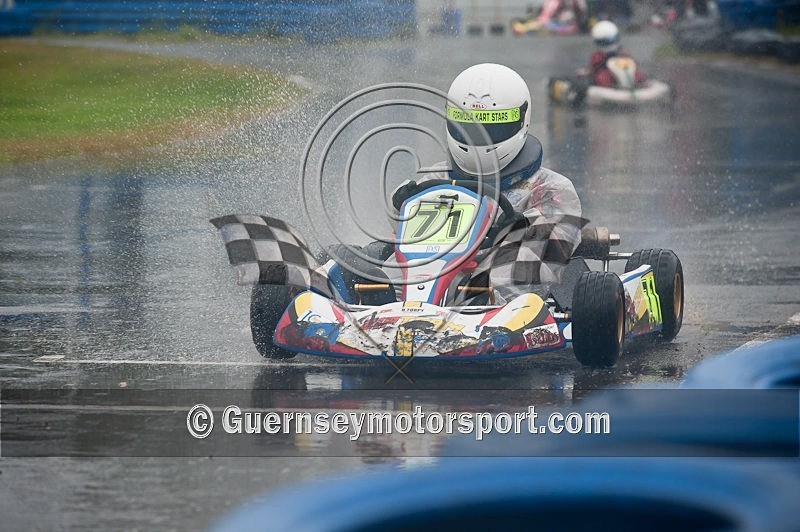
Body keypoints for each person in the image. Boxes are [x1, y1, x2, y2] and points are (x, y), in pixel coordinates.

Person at [393, 63, 584, 292]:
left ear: (521, 121)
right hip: (431, 284)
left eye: (493, 124)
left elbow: (550, 255)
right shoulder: (433, 178)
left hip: (508, 305)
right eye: (468, 125)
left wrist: (517, 230)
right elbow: (403, 240)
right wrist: (401, 206)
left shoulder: (552, 189)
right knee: (362, 265)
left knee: (504, 273)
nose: (479, 137)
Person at [586, 20, 647, 88]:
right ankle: (613, 88)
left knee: (639, 75)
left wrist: (626, 57)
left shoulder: (623, 52)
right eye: (605, 42)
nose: (610, 44)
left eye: (612, 40)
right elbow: (594, 69)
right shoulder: (597, 56)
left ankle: (639, 85)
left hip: (625, 71)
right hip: (608, 75)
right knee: (602, 77)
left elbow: (632, 64)